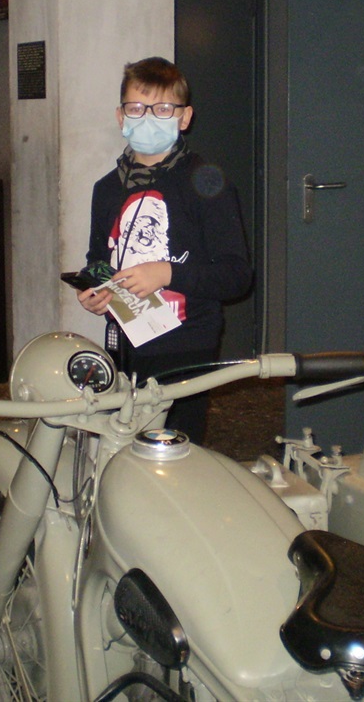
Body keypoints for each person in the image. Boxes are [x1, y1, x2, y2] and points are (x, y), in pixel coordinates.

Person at [76, 56, 252, 444]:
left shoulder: (207, 183)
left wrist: (167, 273)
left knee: (173, 452)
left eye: (163, 109)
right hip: (123, 343)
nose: (148, 118)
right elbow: (98, 259)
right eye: (137, 108)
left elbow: (236, 276)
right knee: (119, 446)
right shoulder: (107, 189)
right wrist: (93, 289)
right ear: (121, 116)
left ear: (184, 117)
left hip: (185, 346)